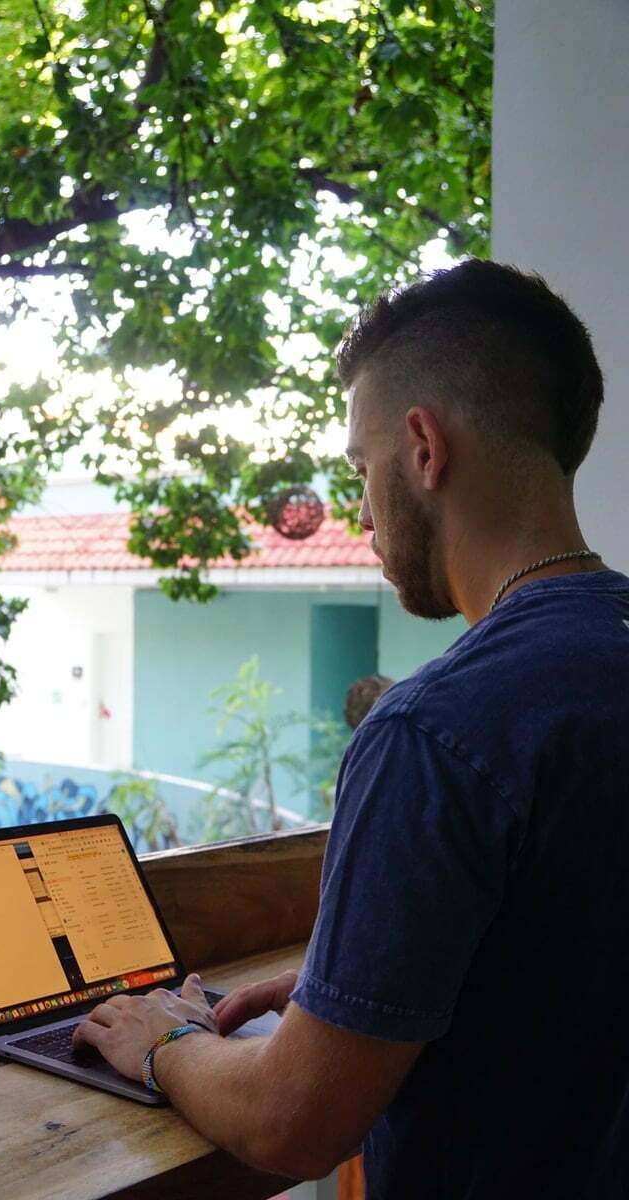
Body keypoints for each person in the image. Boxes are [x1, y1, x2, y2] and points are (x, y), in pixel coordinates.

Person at [73, 260, 629, 1198]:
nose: (363, 512)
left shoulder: (436, 730)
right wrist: (375, 985)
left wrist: (164, 1043)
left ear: (423, 448)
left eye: (362, 470)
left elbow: (292, 1126)